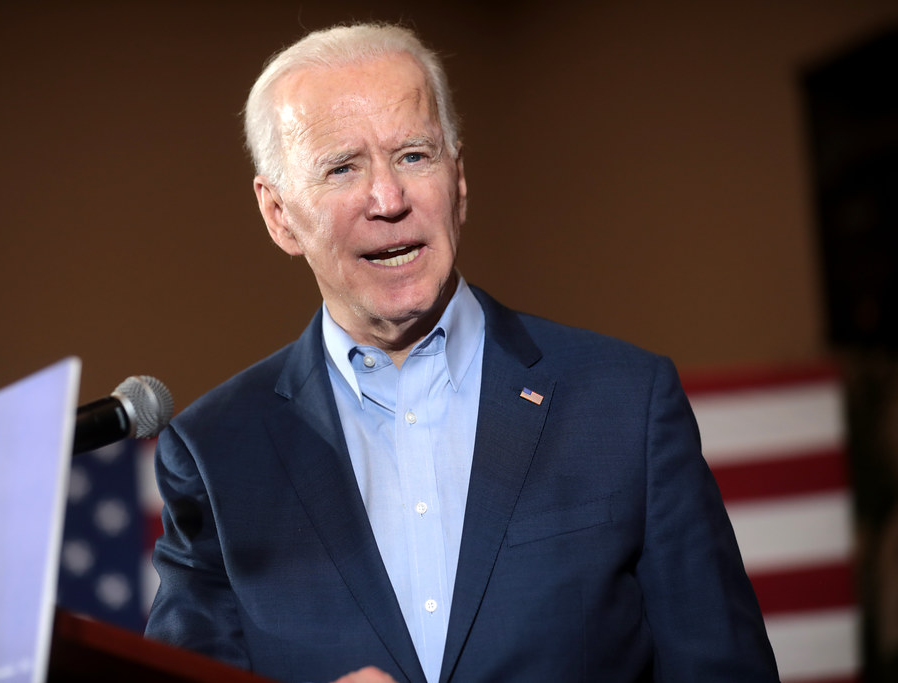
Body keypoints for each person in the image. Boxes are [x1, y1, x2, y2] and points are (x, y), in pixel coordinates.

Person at [144, 22, 779, 683]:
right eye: (342, 168)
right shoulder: (216, 452)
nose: (388, 200)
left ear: (460, 177)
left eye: (414, 155)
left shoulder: (626, 403)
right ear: (279, 215)